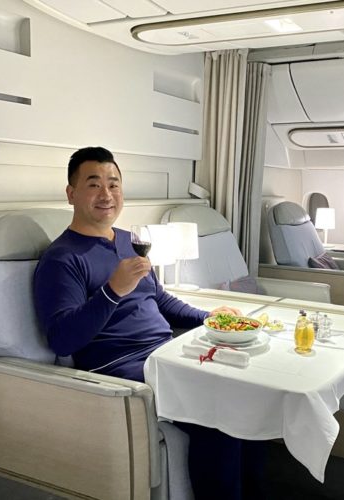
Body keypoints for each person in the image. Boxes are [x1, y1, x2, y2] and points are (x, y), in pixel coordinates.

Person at [33, 146, 263, 499]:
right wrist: (112, 291)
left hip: (166, 351)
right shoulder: (61, 259)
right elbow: (62, 339)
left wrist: (208, 318)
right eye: (93, 184)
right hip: (120, 366)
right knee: (221, 416)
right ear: (71, 194)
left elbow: (160, 300)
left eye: (114, 184)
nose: (106, 194)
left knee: (250, 393)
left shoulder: (130, 242)